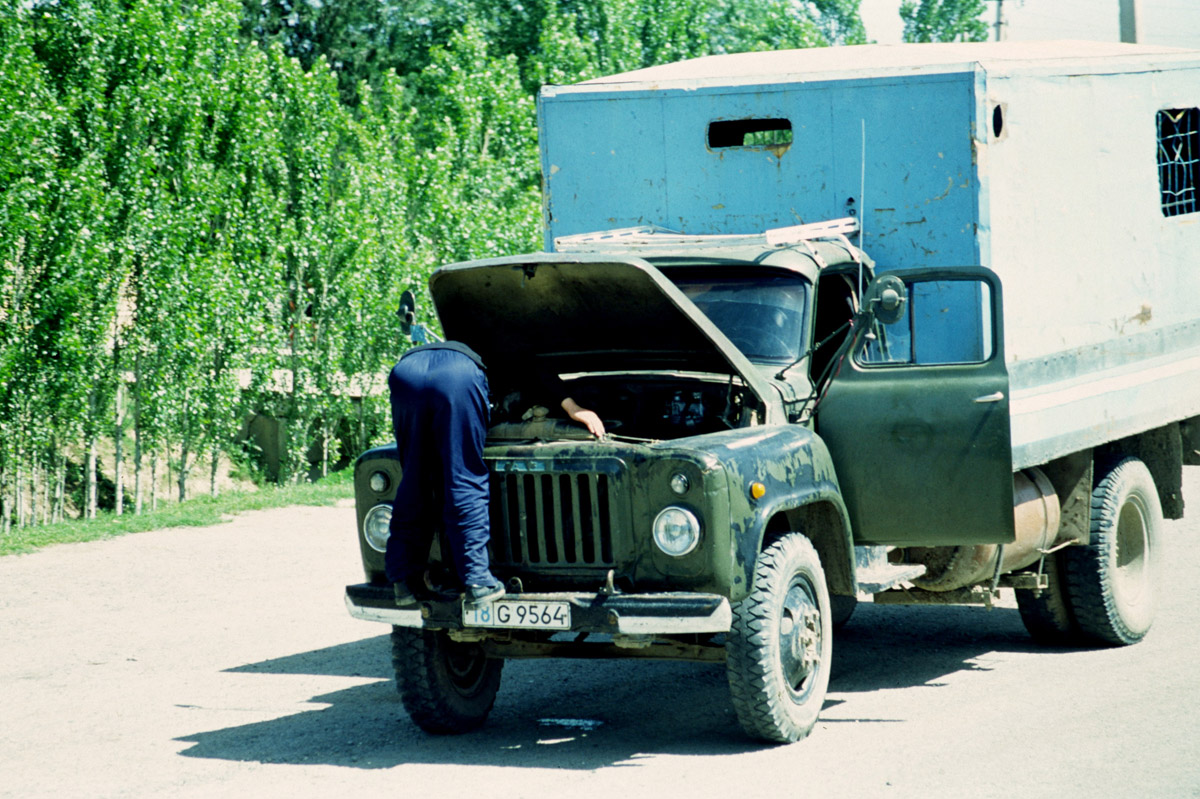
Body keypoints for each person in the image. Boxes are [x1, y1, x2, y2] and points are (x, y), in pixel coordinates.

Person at [385, 340, 605, 610]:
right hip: (456, 374)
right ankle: (478, 582)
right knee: (464, 478)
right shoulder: (503, 353)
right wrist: (573, 407)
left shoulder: (477, 338)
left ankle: (404, 581)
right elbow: (536, 369)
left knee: (414, 481)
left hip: (406, 371)